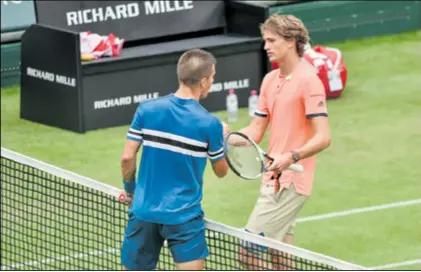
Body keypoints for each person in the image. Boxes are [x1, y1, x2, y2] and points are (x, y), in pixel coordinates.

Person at [235, 14, 331, 269]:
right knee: (280, 260)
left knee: (247, 253)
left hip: (291, 182)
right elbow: (255, 131)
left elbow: (324, 137)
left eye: (271, 40)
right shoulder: (270, 80)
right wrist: (223, 137)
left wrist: (291, 157)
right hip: (272, 179)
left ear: (290, 41)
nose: (266, 46)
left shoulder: (309, 81)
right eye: (265, 40)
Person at [119, 49, 230, 270]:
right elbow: (221, 171)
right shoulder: (211, 124)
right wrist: (223, 139)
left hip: (143, 212)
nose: (212, 82)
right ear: (204, 81)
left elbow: (127, 157)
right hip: (184, 218)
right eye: (213, 78)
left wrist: (131, 191)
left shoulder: (147, 110)